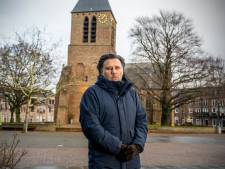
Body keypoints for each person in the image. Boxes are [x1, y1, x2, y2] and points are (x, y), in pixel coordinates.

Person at [80, 53, 148, 169]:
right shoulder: (92, 94)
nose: (114, 71)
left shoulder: (132, 94)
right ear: (101, 72)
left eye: (117, 68)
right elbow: (91, 126)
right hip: (104, 163)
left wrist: (137, 146)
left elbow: (141, 121)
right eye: (108, 68)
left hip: (132, 162)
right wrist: (118, 148)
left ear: (122, 70)